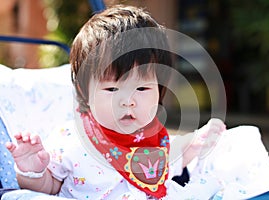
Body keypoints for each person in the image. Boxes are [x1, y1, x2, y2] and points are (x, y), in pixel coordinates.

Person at [5, 4, 226, 200]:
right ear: (84, 91)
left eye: (142, 88)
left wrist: (195, 144)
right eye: (112, 89)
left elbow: (168, 162)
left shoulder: (153, 135)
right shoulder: (72, 139)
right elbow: (49, 188)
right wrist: (32, 170)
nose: (127, 101)